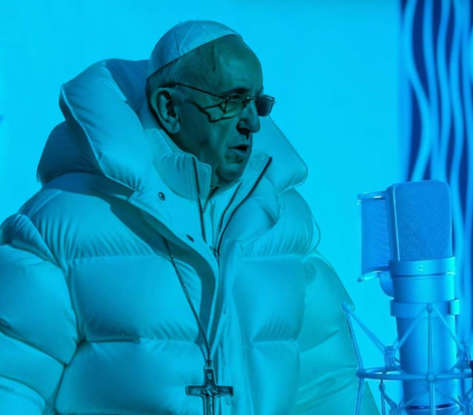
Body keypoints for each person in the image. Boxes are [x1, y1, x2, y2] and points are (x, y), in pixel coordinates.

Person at [0, 20, 378, 414]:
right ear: (169, 108)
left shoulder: (283, 220)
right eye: (232, 100)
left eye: (258, 103)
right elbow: (10, 382)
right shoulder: (62, 222)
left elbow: (330, 386)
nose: (252, 122)